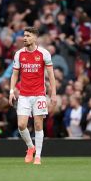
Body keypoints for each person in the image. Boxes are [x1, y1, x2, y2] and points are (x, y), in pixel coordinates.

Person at [9, 26, 57, 165]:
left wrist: (53, 94)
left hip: (39, 95)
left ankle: (38, 157)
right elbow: (15, 75)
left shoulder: (44, 53)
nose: (25, 38)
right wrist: (11, 91)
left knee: (38, 124)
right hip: (24, 95)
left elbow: (51, 75)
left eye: (28, 36)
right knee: (22, 125)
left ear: (35, 38)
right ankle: (31, 147)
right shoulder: (19, 54)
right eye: (24, 35)